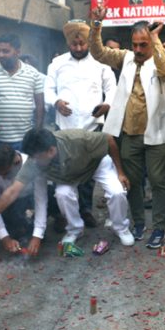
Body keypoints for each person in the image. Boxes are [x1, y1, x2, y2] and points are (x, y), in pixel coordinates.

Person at [0, 128, 134, 249]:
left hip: (95, 165)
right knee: (62, 193)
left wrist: (120, 172)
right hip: (69, 177)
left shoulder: (78, 139)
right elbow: (12, 191)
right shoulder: (35, 160)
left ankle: (121, 227)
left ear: (51, 151)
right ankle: (75, 229)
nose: (32, 161)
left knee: (117, 191)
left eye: (36, 157)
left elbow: (109, 140)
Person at [89, 8, 165, 249]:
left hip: (156, 134)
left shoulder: (159, 58)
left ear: (151, 42)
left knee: (158, 182)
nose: (138, 50)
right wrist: (97, 24)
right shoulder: (125, 57)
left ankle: (158, 228)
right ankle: (139, 223)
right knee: (133, 182)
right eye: (135, 44)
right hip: (129, 133)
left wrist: (156, 41)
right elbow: (98, 53)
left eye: (143, 44)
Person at [45, 20, 116, 229]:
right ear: (68, 43)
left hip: (91, 126)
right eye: (74, 45)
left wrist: (107, 104)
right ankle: (65, 213)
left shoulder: (100, 61)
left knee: (89, 172)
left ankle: (85, 210)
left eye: (82, 44)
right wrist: (56, 102)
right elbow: (48, 89)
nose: (78, 48)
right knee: (63, 171)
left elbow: (112, 88)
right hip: (64, 129)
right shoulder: (56, 64)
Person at [0, 33, 45, 150]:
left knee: (24, 168)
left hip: (25, 139)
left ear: (18, 52)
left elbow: (40, 106)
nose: (0, 55)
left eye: (5, 51)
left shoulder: (33, 74)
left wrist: (37, 134)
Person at [0, 145, 47, 253]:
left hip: (34, 197)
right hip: (13, 203)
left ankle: (57, 218)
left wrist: (37, 235)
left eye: (6, 173)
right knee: (15, 228)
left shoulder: (32, 165)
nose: (3, 178)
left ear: (17, 162)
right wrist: (4, 237)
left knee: (54, 193)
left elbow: (41, 201)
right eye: (0, 175)